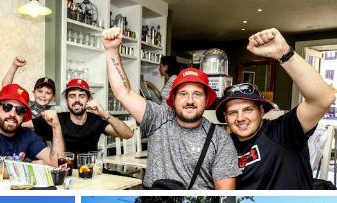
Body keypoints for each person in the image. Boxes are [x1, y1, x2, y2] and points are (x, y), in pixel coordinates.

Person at [102, 27, 240, 189]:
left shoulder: (220, 139)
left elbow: (224, 196)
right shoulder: (158, 118)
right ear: (173, 99)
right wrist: (111, 50)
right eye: (183, 94)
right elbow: (123, 92)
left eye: (197, 94)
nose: (190, 100)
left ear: (207, 100)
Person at [214, 28, 336, 189]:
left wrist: (283, 53)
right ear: (226, 117)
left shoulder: (284, 131)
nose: (240, 118)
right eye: (232, 112)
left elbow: (323, 99)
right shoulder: (224, 148)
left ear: (262, 111)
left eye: (248, 110)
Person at [32, 78, 134, 157]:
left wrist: (105, 114)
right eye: (72, 96)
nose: (77, 100)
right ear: (66, 100)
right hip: (65, 173)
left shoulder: (96, 120)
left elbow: (128, 134)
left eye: (82, 96)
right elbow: (18, 124)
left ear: (88, 99)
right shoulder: (56, 119)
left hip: (90, 171)